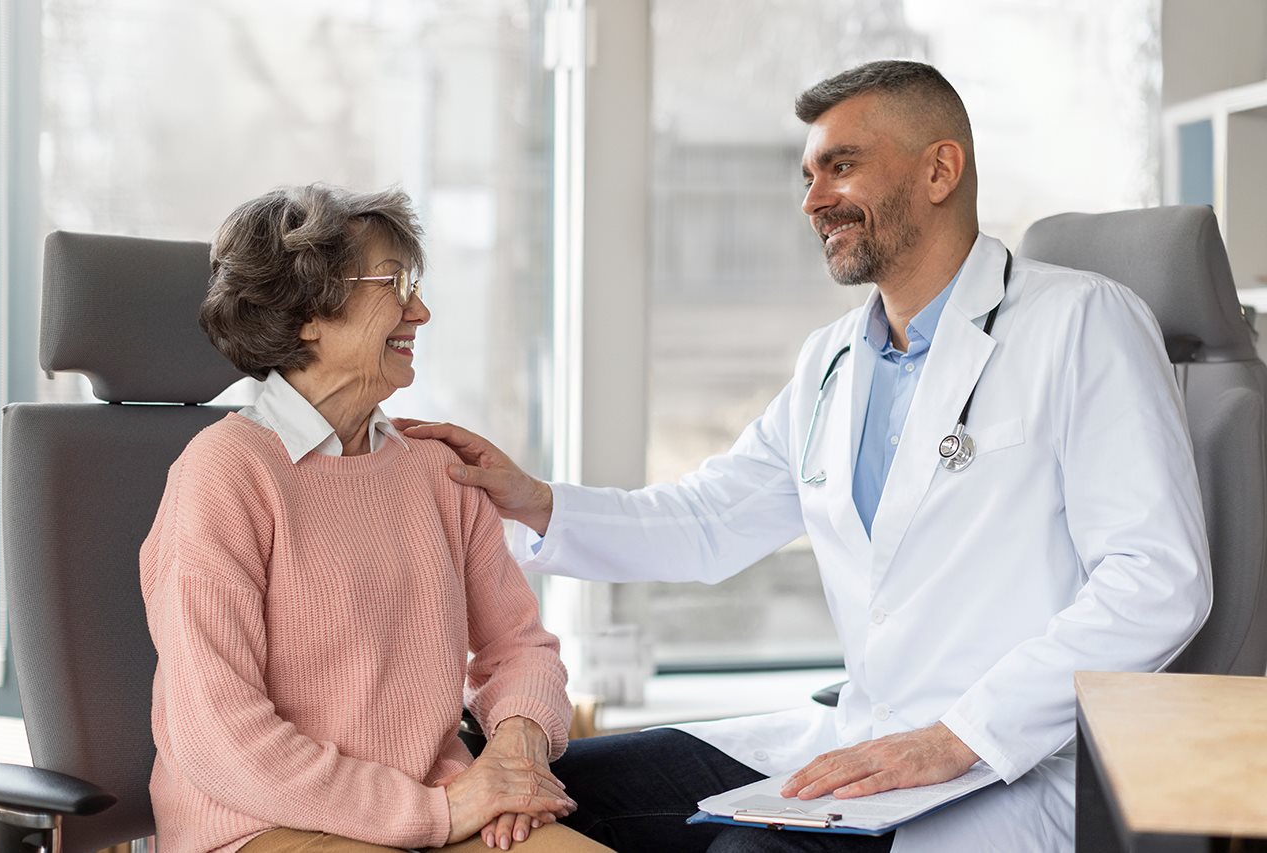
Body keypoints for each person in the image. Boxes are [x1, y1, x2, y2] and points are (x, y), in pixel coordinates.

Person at [398, 60, 1213, 853]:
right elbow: (709, 520)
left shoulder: (1082, 324)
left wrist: (959, 736)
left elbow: (1157, 580)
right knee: (527, 792)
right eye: (808, 175)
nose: (813, 199)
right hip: (855, 739)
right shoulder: (833, 359)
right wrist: (535, 499)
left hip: (1004, 765)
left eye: (841, 167)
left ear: (940, 170)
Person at [140, 184, 611, 853]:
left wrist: (517, 748)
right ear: (306, 312)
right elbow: (222, 737)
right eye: (392, 284)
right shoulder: (223, 474)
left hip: (442, 807)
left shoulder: (437, 470)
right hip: (267, 823)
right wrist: (441, 809)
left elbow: (519, 649)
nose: (419, 309)